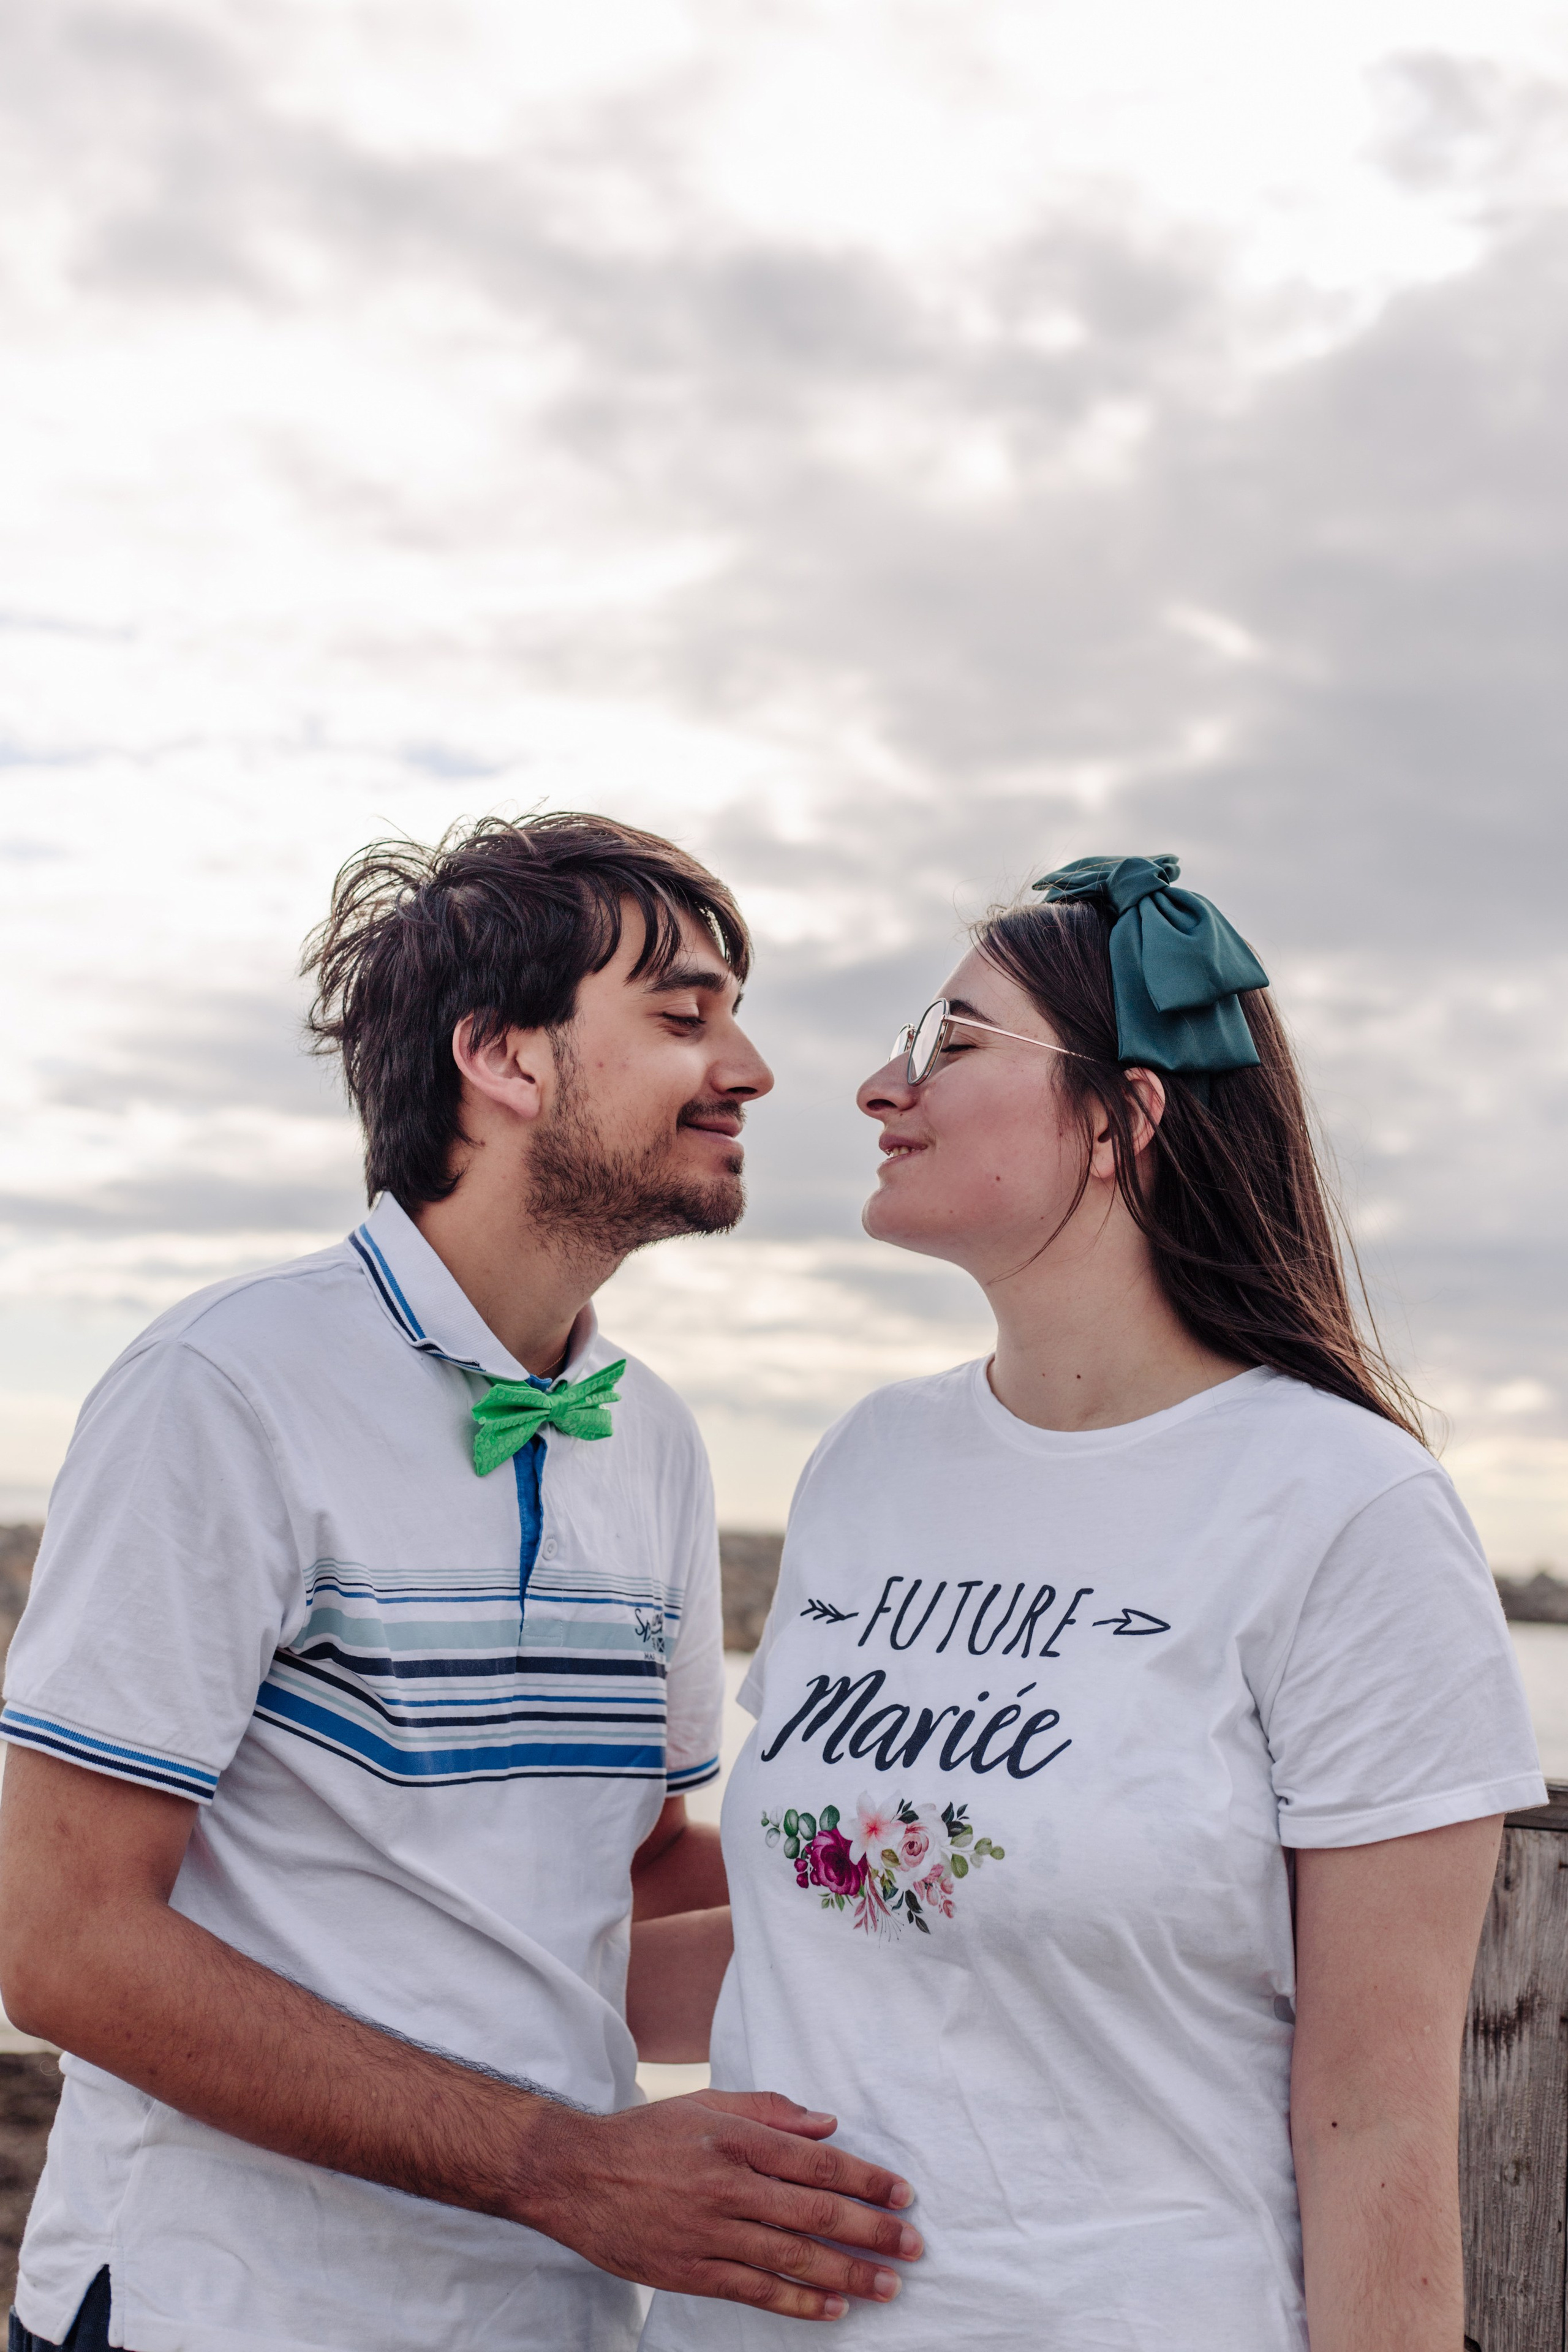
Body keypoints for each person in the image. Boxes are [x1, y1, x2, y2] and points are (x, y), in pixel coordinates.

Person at [0, 814, 921, 2352]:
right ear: (501, 1057)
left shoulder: (651, 1437)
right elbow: (63, 1943)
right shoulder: (222, 1387)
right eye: (683, 1017)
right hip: (216, 2316)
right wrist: (566, 2168)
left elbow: (620, 1881)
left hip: (551, 2321)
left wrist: (967, 1896)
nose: (750, 1070)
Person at [643, 852, 1545, 2351]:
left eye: (949, 1041)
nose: (878, 1087)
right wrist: (372, 1981)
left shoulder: (1344, 1509)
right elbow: (828, 1934)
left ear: (1124, 1119)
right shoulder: (869, 1462)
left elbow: (1375, 2116)